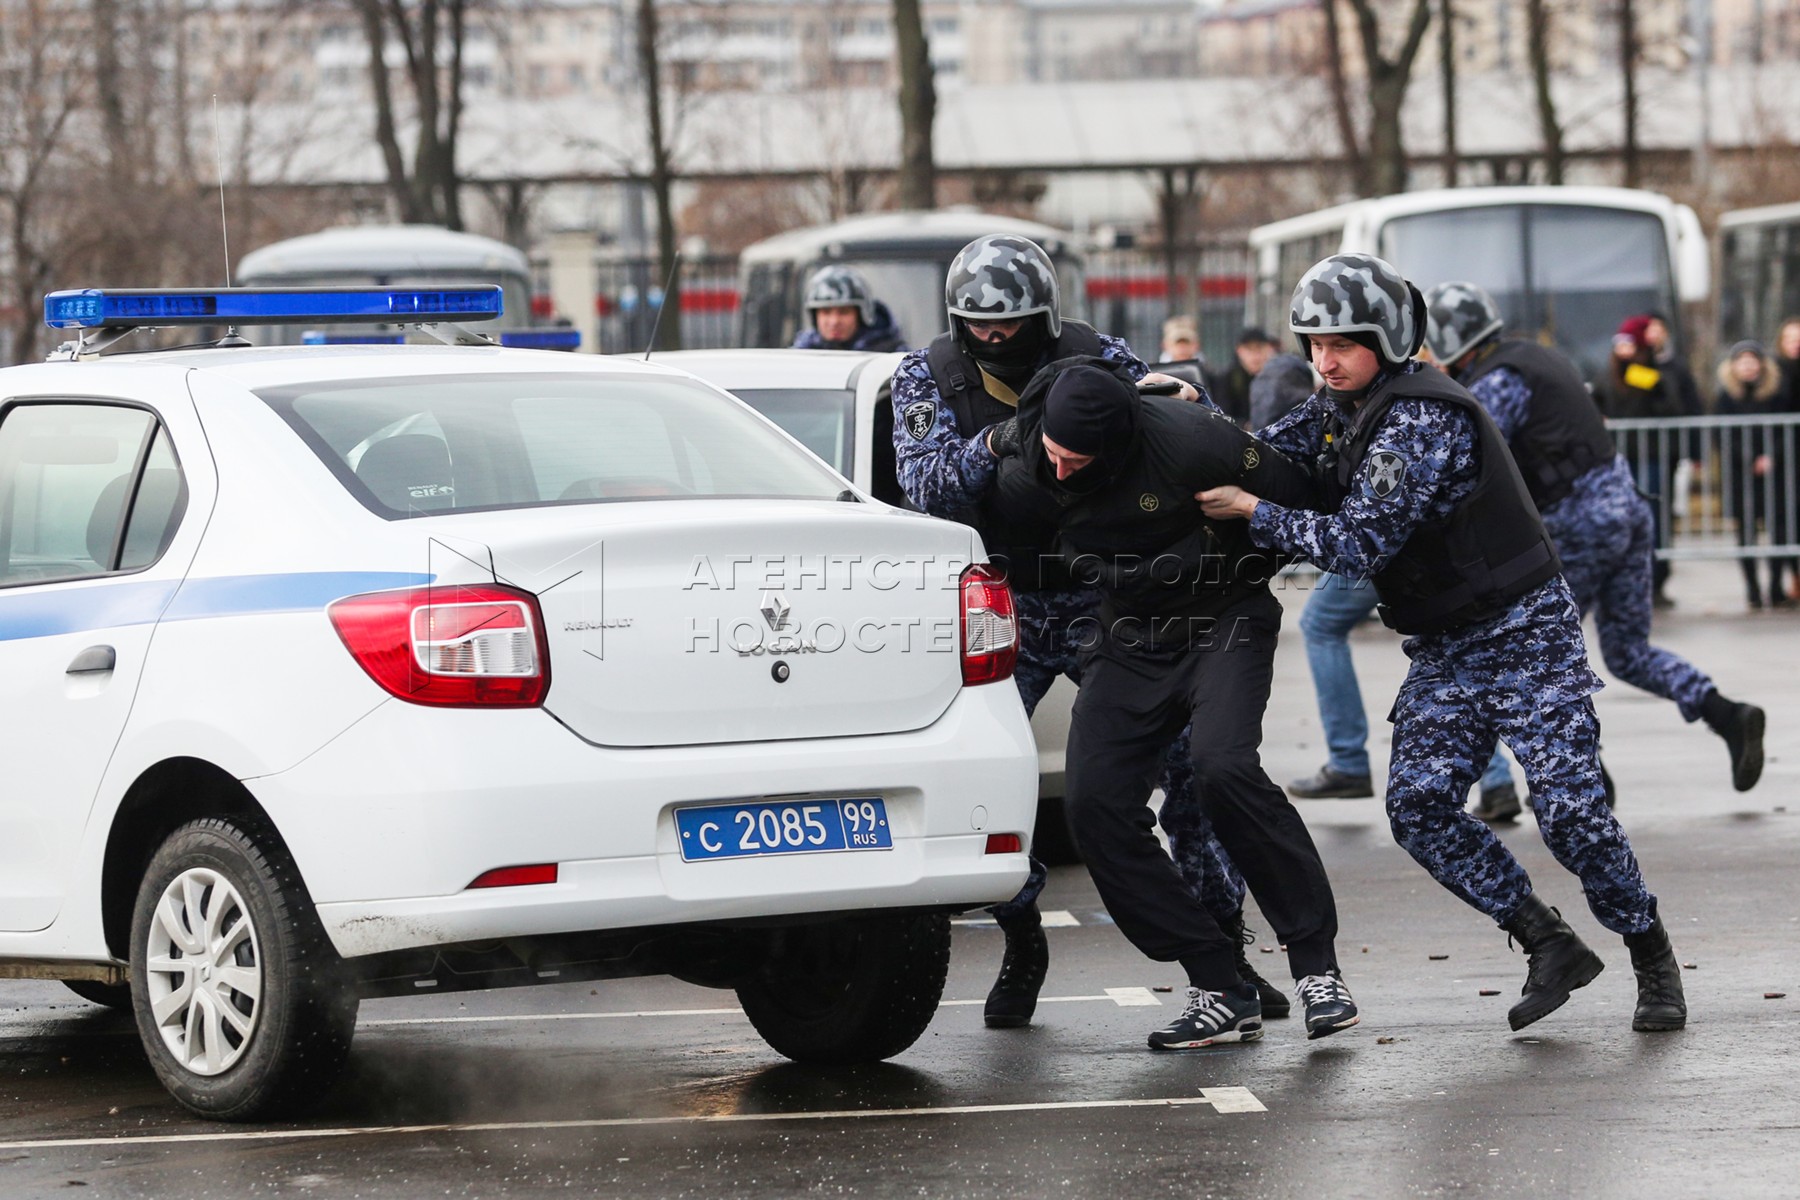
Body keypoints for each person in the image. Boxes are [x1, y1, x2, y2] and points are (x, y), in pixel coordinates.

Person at [1199, 253, 1687, 1036]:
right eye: (1314, 343)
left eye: (1343, 344)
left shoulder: (1422, 415)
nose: (1325, 360)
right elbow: (1259, 452)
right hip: (1447, 649)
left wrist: (1252, 510)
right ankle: (1547, 941)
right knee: (1419, 807)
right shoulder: (1337, 407)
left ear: (1387, 339)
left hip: (1526, 635)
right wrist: (1184, 412)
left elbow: (1357, 542)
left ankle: (1649, 952)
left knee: (1572, 816)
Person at [889, 234, 1289, 1030]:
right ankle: (1023, 937)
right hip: (999, 598)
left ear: (1044, 315)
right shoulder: (925, 375)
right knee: (992, 783)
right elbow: (924, 485)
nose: (993, 338)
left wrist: (1178, 407)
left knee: (1191, 777)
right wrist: (1005, 440)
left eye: (1009, 325)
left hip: (1106, 590)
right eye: (978, 324)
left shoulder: (1092, 353)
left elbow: (1173, 418)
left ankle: (1223, 951)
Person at [987, 356, 1360, 1050]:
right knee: (1095, 805)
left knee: (1223, 769)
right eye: (1055, 457)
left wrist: (1227, 543)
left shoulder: (1195, 439)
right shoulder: (1025, 447)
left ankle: (1317, 968)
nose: (1062, 471)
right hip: (1128, 631)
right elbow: (963, 480)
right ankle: (1218, 982)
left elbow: (1298, 499)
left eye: (1079, 461)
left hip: (1224, 616)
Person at [1424, 281, 1765, 806]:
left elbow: (1472, 456)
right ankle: (1727, 715)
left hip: (1579, 522)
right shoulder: (1536, 355)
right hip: (1628, 510)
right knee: (1627, 651)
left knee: (1533, 651)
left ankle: (1586, 779)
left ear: (1450, 340)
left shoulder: (1498, 379)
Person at [1601, 315, 1685, 608]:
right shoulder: (1608, 375)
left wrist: (1640, 375)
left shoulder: (1647, 373)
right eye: (1618, 343)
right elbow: (1595, 403)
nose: (1622, 348)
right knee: (1621, 519)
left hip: (1649, 456)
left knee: (1651, 519)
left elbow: (1670, 405)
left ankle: (1654, 580)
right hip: (1618, 457)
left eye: (1627, 343)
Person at [1715, 340, 1794, 609]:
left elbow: (1788, 429)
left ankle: (1775, 587)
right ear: (1733, 366)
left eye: (1752, 361)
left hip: (1777, 473)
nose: (1748, 367)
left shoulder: (1779, 393)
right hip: (1741, 474)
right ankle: (1752, 590)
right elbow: (1723, 436)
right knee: (1745, 534)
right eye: (1742, 362)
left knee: (1780, 532)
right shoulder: (1726, 397)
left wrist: (1772, 457)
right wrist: (1749, 458)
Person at [791, 264, 907, 351]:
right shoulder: (802, 355)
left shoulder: (893, 357)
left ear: (861, 315)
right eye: (826, 312)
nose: (834, 321)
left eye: (844, 312)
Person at [1210, 327, 1278, 427]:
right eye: (1249, 349)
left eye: (1259, 348)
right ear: (1239, 351)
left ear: (1268, 349)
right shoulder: (1228, 379)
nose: (1255, 355)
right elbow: (1221, 415)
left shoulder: (1277, 377)